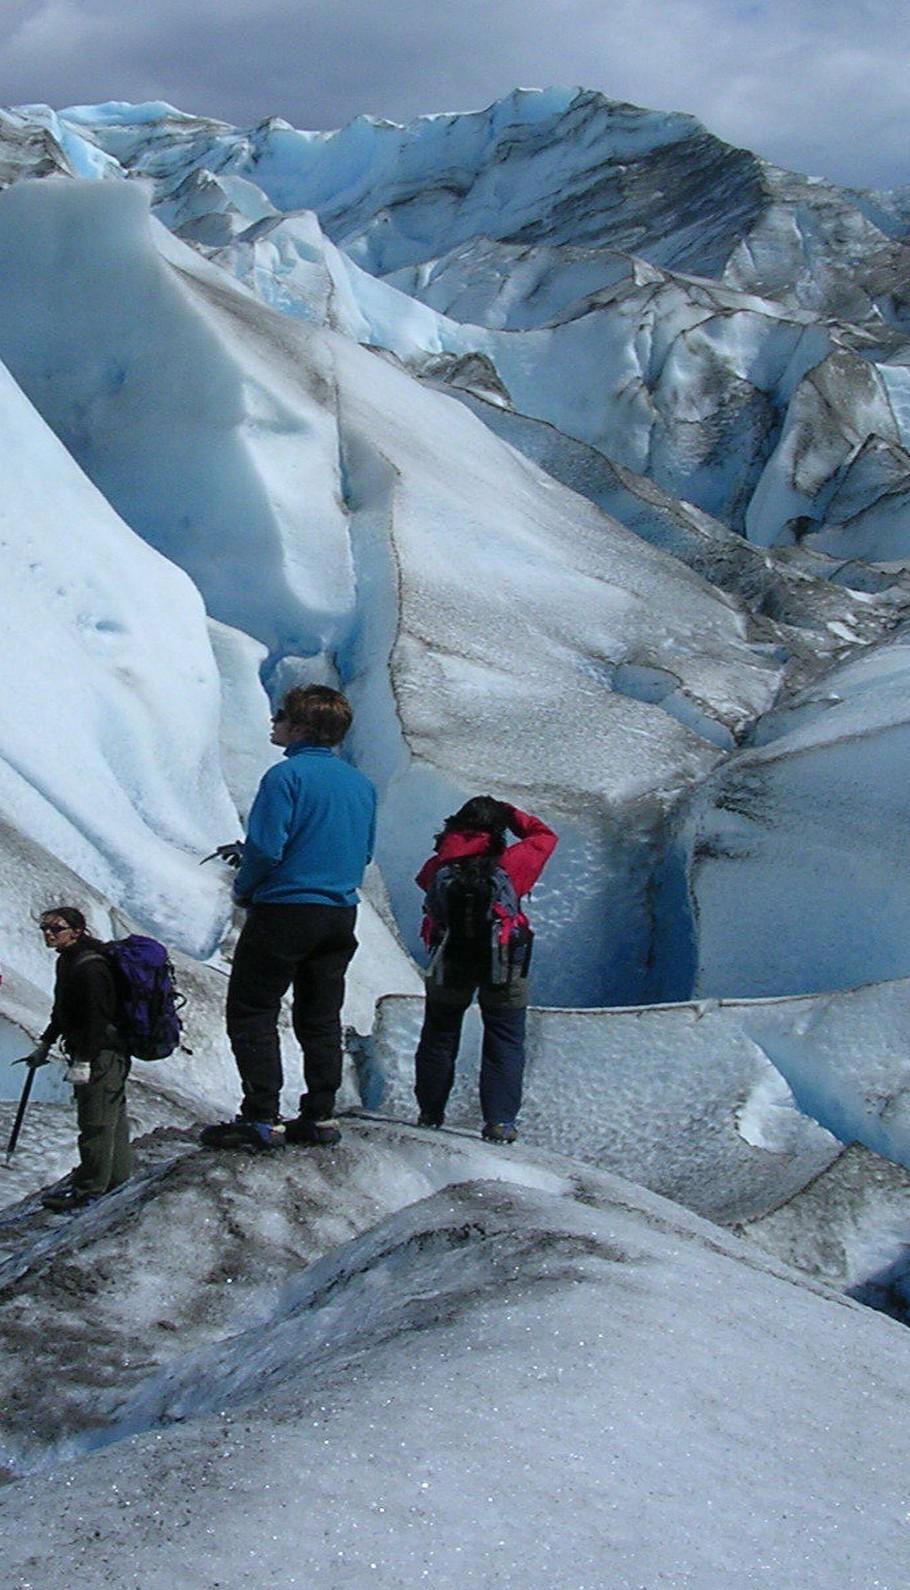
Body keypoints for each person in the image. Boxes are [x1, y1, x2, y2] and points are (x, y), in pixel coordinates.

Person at [201, 684, 377, 1153]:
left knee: (253, 1009)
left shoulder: (285, 778)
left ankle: (261, 1116)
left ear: (301, 727)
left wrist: (243, 889)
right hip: (339, 914)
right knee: (320, 1016)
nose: (273, 722)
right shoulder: (361, 785)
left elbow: (265, 848)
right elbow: (365, 852)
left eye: (281, 716)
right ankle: (318, 1115)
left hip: (284, 910)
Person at [413, 796, 557, 1143]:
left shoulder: (439, 865)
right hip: (504, 961)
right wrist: (511, 815)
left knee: (440, 1033)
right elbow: (545, 836)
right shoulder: (512, 863)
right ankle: (500, 1122)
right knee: (505, 1039)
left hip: (450, 959)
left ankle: (430, 1112)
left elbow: (423, 882)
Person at [26, 906, 132, 1212]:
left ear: (76, 930)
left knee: (96, 1122)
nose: (48, 933)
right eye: (45, 928)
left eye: (56, 928)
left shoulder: (88, 967)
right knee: (112, 1118)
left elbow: (95, 1018)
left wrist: (84, 1060)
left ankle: (89, 1191)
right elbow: (64, 1010)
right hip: (108, 1052)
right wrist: (46, 1042)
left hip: (100, 1054)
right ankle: (117, 1181)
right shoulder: (73, 960)